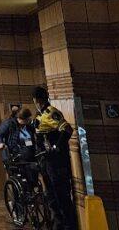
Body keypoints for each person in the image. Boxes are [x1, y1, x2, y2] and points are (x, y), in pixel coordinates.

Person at [32, 86, 76, 230]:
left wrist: (56, 147)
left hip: (55, 162)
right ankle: (59, 222)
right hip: (46, 161)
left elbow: (67, 129)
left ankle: (68, 224)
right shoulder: (40, 115)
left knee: (60, 193)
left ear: (36, 100)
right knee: (51, 194)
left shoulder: (50, 113)